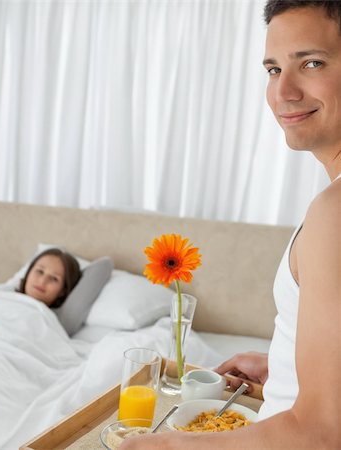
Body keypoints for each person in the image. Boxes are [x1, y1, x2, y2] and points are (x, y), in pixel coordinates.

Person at [120, 1, 341, 448]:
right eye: (273, 70)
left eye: (311, 62)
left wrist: (167, 445)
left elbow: (321, 433)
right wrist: (288, 366)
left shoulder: (333, 212)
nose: (284, 93)